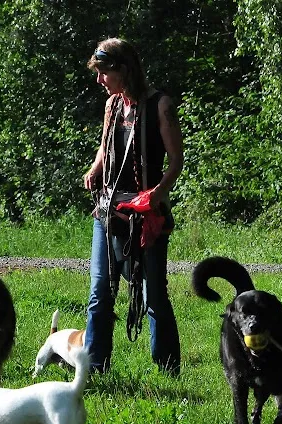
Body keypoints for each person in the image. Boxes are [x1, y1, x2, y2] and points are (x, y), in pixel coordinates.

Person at [82, 37, 182, 375]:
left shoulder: (160, 105)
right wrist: (96, 168)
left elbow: (176, 162)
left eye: (104, 73)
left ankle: (168, 370)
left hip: (147, 214)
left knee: (153, 295)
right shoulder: (112, 105)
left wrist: (157, 193)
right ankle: (95, 368)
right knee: (100, 293)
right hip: (109, 210)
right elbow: (105, 145)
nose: (100, 80)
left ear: (124, 70)